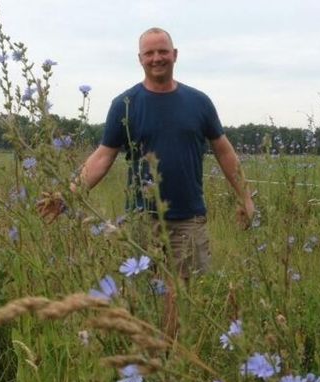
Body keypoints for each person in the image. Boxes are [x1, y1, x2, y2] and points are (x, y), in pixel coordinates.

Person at [40, 27, 254, 336]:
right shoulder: (125, 105)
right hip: (141, 217)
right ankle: (143, 350)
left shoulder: (199, 102)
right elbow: (102, 157)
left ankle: (169, 353)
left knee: (177, 293)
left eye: (163, 51)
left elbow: (224, 150)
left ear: (175, 55)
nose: (157, 58)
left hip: (188, 218)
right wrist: (68, 195)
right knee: (140, 290)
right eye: (150, 53)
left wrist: (245, 196)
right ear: (140, 59)